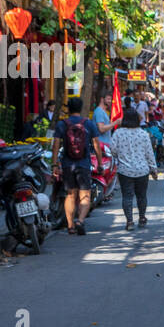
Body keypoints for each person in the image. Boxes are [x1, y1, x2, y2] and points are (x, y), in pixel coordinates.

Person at [51, 96, 102, 235]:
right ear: (80, 108)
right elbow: (96, 143)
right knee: (85, 194)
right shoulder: (88, 123)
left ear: (68, 109)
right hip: (84, 164)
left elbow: (56, 145)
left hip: (67, 164)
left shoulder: (62, 124)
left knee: (70, 195)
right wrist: (100, 162)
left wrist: (55, 163)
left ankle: (70, 225)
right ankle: (80, 220)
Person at [110, 109, 158, 230]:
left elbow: (113, 150)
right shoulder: (143, 134)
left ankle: (130, 222)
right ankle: (142, 218)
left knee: (127, 196)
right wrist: (154, 169)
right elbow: (149, 153)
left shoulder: (118, 133)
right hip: (142, 170)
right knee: (141, 196)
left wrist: (120, 157)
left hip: (125, 171)